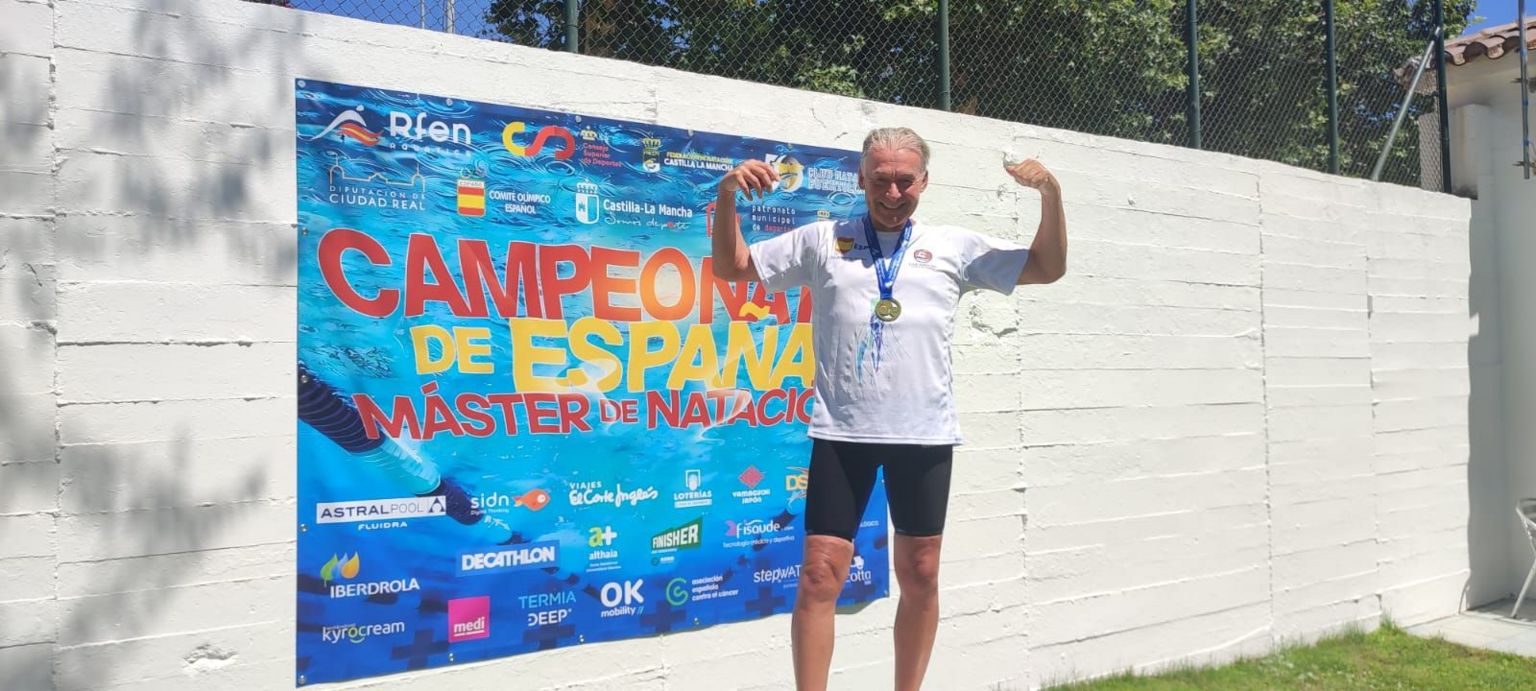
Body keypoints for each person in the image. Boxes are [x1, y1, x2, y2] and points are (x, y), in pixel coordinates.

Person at [710, 127, 1066, 691]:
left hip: (923, 436)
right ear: (861, 180)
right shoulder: (823, 240)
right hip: (842, 434)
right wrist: (727, 196)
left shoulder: (954, 246)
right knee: (819, 576)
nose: (893, 192)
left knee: (921, 574)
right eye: (881, 180)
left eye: (905, 180)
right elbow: (732, 268)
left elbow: (1046, 268)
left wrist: (1051, 195)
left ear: (924, 181)